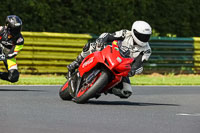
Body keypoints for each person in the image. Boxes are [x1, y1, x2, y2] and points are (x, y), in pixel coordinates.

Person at [67, 20, 152, 98]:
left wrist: (133, 70)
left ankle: (107, 88)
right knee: (91, 46)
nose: (143, 39)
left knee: (126, 92)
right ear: (134, 32)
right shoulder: (126, 33)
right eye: (141, 36)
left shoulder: (146, 50)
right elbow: (108, 35)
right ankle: (77, 62)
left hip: (122, 67)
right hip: (111, 53)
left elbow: (139, 64)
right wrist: (101, 40)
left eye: (146, 36)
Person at [0, 15, 24, 83]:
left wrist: (5, 56)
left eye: (18, 29)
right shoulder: (1, 30)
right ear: (8, 27)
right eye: (14, 29)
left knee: (14, 77)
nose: (16, 31)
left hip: (9, 56)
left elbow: (13, 52)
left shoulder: (20, 39)